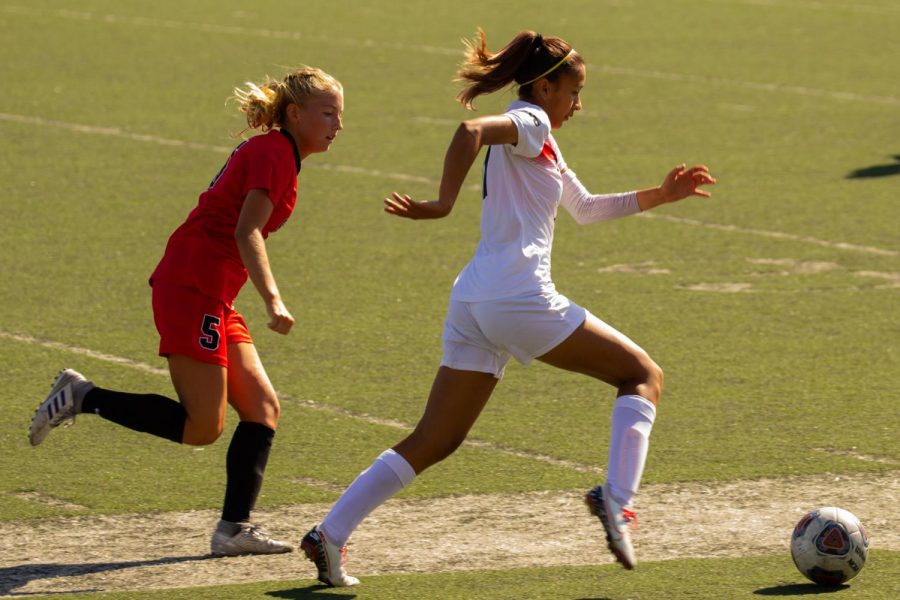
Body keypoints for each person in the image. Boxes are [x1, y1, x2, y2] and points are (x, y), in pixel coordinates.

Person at [300, 29, 716, 587]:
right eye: (573, 92)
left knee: (435, 438)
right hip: (516, 299)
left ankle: (331, 534)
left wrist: (660, 196)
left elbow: (586, 209)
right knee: (642, 375)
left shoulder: (541, 136)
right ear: (544, 88)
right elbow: (470, 129)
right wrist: (443, 203)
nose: (578, 105)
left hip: (474, 301)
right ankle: (617, 500)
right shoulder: (533, 121)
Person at [29, 67, 344, 557]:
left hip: (213, 292)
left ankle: (233, 530)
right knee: (203, 427)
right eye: (328, 114)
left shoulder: (280, 153)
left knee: (262, 409)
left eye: (340, 115)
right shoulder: (274, 152)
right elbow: (247, 233)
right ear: (295, 114)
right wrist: (273, 299)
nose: (337, 124)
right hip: (192, 286)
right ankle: (82, 396)